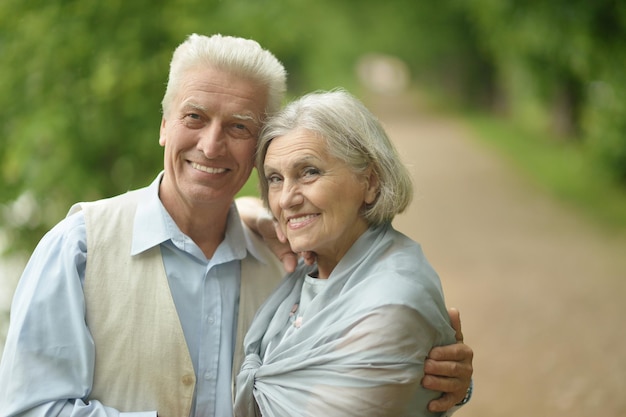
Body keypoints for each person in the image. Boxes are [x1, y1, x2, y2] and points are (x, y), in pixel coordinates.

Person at [0, 34, 471, 417]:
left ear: (259, 148)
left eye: (239, 127)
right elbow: (31, 408)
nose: (211, 145)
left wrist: (430, 379)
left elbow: (351, 377)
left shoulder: (289, 260)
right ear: (164, 125)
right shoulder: (79, 248)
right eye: (194, 117)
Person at [234, 89, 464, 417]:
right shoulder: (315, 261)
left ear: (370, 182)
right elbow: (236, 210)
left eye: (309, 172)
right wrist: (253, 214)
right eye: (274, 178)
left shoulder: (392, 301)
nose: (286, 199)